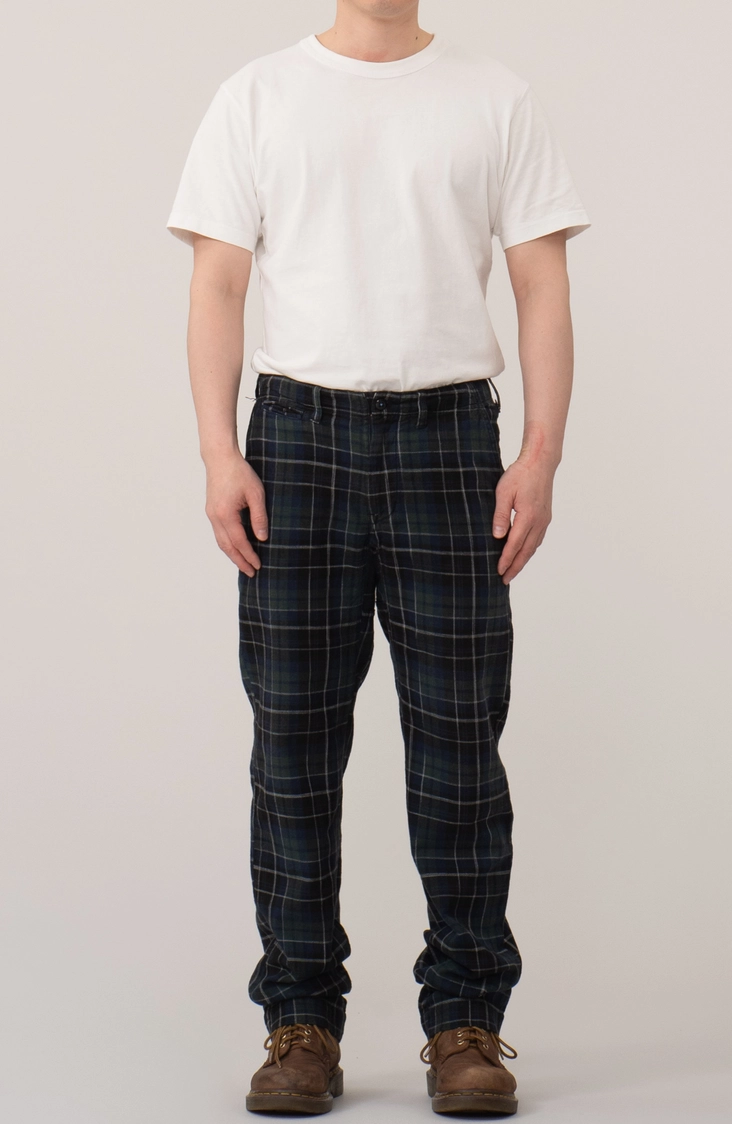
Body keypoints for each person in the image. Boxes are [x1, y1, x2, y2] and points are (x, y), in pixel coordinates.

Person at [166, 1, 591, 1115]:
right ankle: (300, 1021)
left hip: (448, 440)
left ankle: (465, 1022)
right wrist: (219, 452)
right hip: (295, 439)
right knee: (292, 746)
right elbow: (219, 282)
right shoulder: (258, 95)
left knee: (460, 746)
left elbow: (541, 280)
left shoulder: (494, 96)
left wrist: (540, 452)